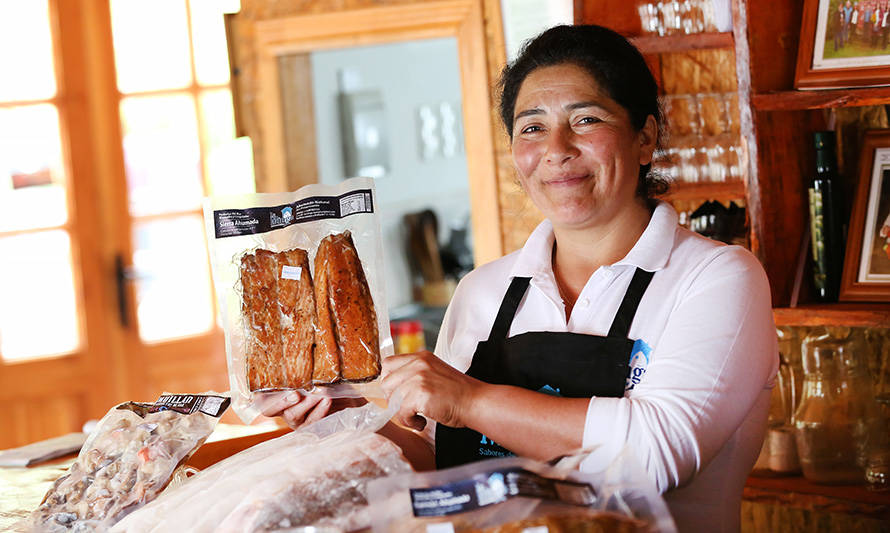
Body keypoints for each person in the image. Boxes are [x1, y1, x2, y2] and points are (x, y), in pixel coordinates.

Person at [267, 24, 777, 532]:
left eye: (586, 120)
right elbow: (444, 465)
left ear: (645, 137)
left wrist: (469, 399)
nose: (556, 149)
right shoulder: (482, 291)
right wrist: (343, 412)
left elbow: (655, 455)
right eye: (532, 127)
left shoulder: (717, 277)